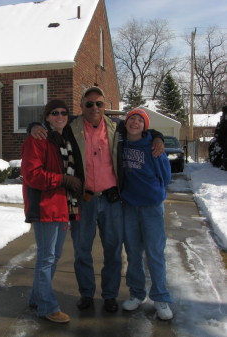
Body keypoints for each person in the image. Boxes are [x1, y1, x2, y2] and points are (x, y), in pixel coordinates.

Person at [29, 86, 165, 313]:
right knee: (82, 251)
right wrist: (32, 126)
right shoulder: (71, 126)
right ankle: (86, 294)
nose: (94, 107)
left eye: (99, 104)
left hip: (111, 200)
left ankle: (110, 295)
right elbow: (48, 123)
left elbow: (141, 129)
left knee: (112, 251)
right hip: (84, 199)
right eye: (89, 103)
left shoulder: (118, 127)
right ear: (81, 106)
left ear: (105, 107)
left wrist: (158, 137)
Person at [21, 99, 83, 323]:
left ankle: (37, 298)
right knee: (46, 259)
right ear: (46, 117)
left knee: (53, 257)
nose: (60, 116)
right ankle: (47, 306)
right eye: (54, 113)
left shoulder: (65, 138)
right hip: (45, 206)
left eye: (64, 112)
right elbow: (32, 175)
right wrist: (63, 179)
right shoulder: (37, 140)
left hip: (63, 206)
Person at [120, 108, 173, 320]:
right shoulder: (120, 144)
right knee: (133, 254)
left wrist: (154, 193)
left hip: (151, 207)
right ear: (126, 123)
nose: (134, 122)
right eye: (131, 118)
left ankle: (160, 298)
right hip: (129, 206)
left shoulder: (154, 146)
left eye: (139, 120)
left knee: (154, 254)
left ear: (145, 126)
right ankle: (137, 293)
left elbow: (165, 176)